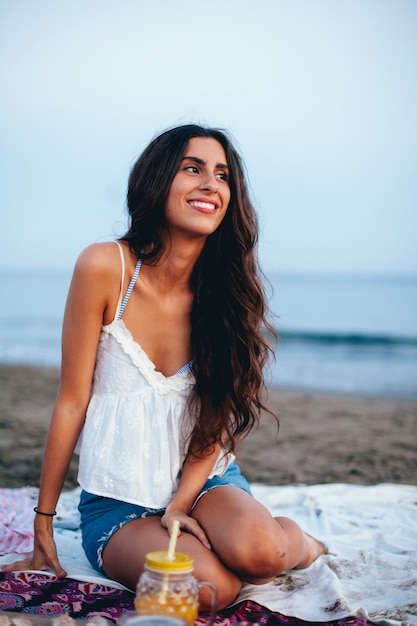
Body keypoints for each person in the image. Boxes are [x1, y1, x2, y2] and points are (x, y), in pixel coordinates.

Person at [2, 124, 326, 609]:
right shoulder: (105, 266)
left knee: (264, 553)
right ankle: (213, 543)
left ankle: (303, 543)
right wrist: (43, 521)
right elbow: (72, 401)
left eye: (222, 175)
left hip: (204, 485)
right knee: (211, 592)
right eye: (192, 169)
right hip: (119, 505)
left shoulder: (227, 294)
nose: (210, 185)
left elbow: (216, 416)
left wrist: (179, 503)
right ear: (157, 181)